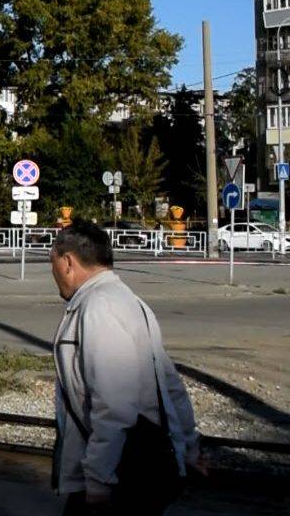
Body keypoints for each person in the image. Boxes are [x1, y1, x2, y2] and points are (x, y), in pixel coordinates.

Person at [49, 220, 202, 515]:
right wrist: (189, 445)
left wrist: (98, 480)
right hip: (136, 466)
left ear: (67, 262)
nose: (52, 272)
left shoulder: (99, 307)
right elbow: (169, 384)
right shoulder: (129, 301)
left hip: (122, 473)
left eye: (52, 262)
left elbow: (114, 404)